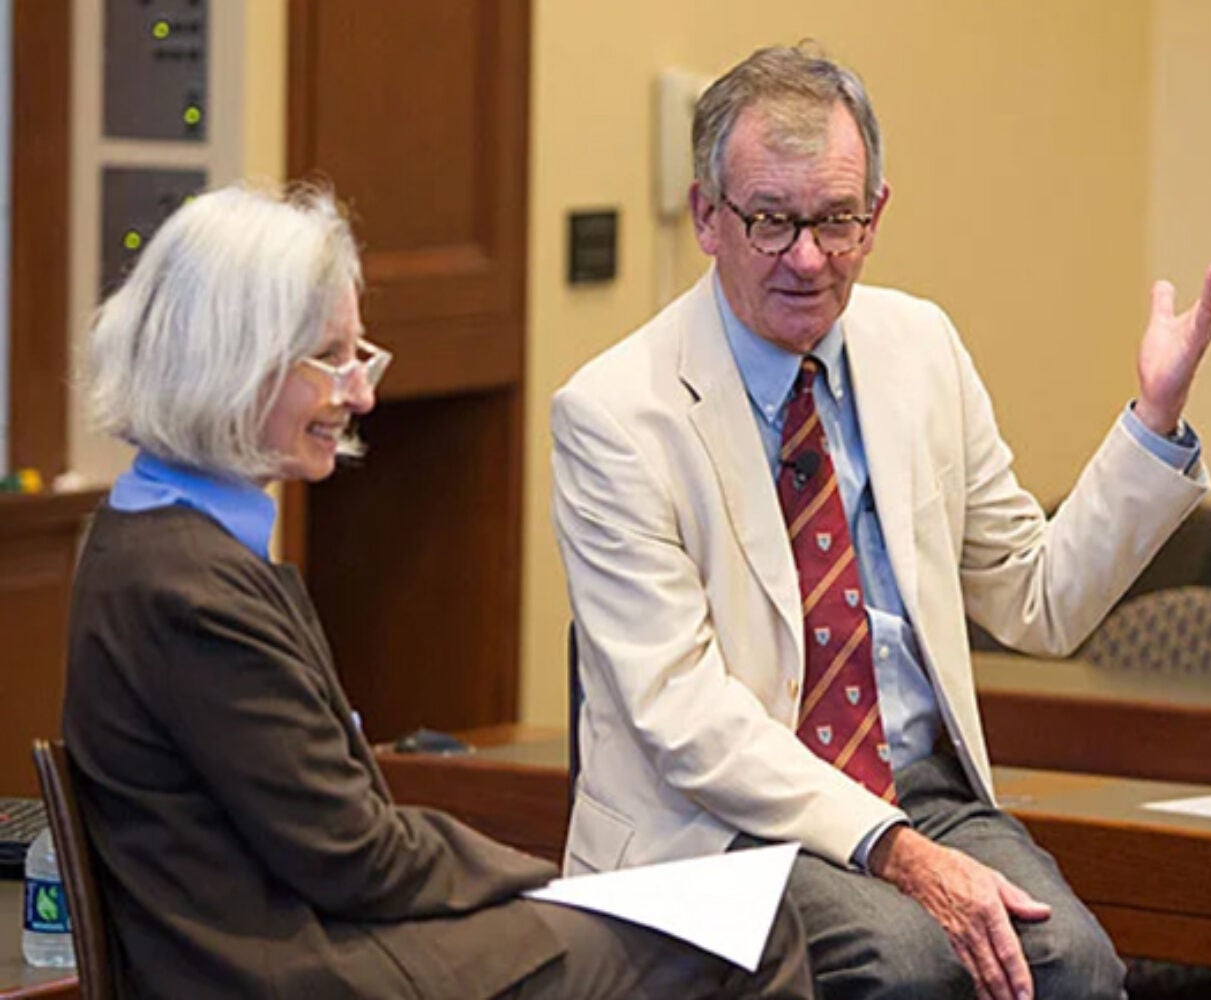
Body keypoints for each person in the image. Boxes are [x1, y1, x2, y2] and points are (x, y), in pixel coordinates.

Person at [551, 43, 1211, 1000]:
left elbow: (1037, 600)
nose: (807, 258)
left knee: (1075, 965)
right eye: (771, 221)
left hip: (915, 789)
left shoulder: (919, 348)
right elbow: (684, 716)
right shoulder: (615, 412)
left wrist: (1153, 419)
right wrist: (894, 854)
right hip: (717, 828)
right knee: (902, 965)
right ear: (706, 217)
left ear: (877, 213)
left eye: (836, 221)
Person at [64, 182, 814, 1000]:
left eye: (362, 356)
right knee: (744, 937)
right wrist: (546, 878)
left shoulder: (148, 536)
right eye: (333, 358)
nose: (361, 393)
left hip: (299, 938)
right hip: (292, 972)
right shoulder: (193, 592)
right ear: (233, 362)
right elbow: (356, 858)